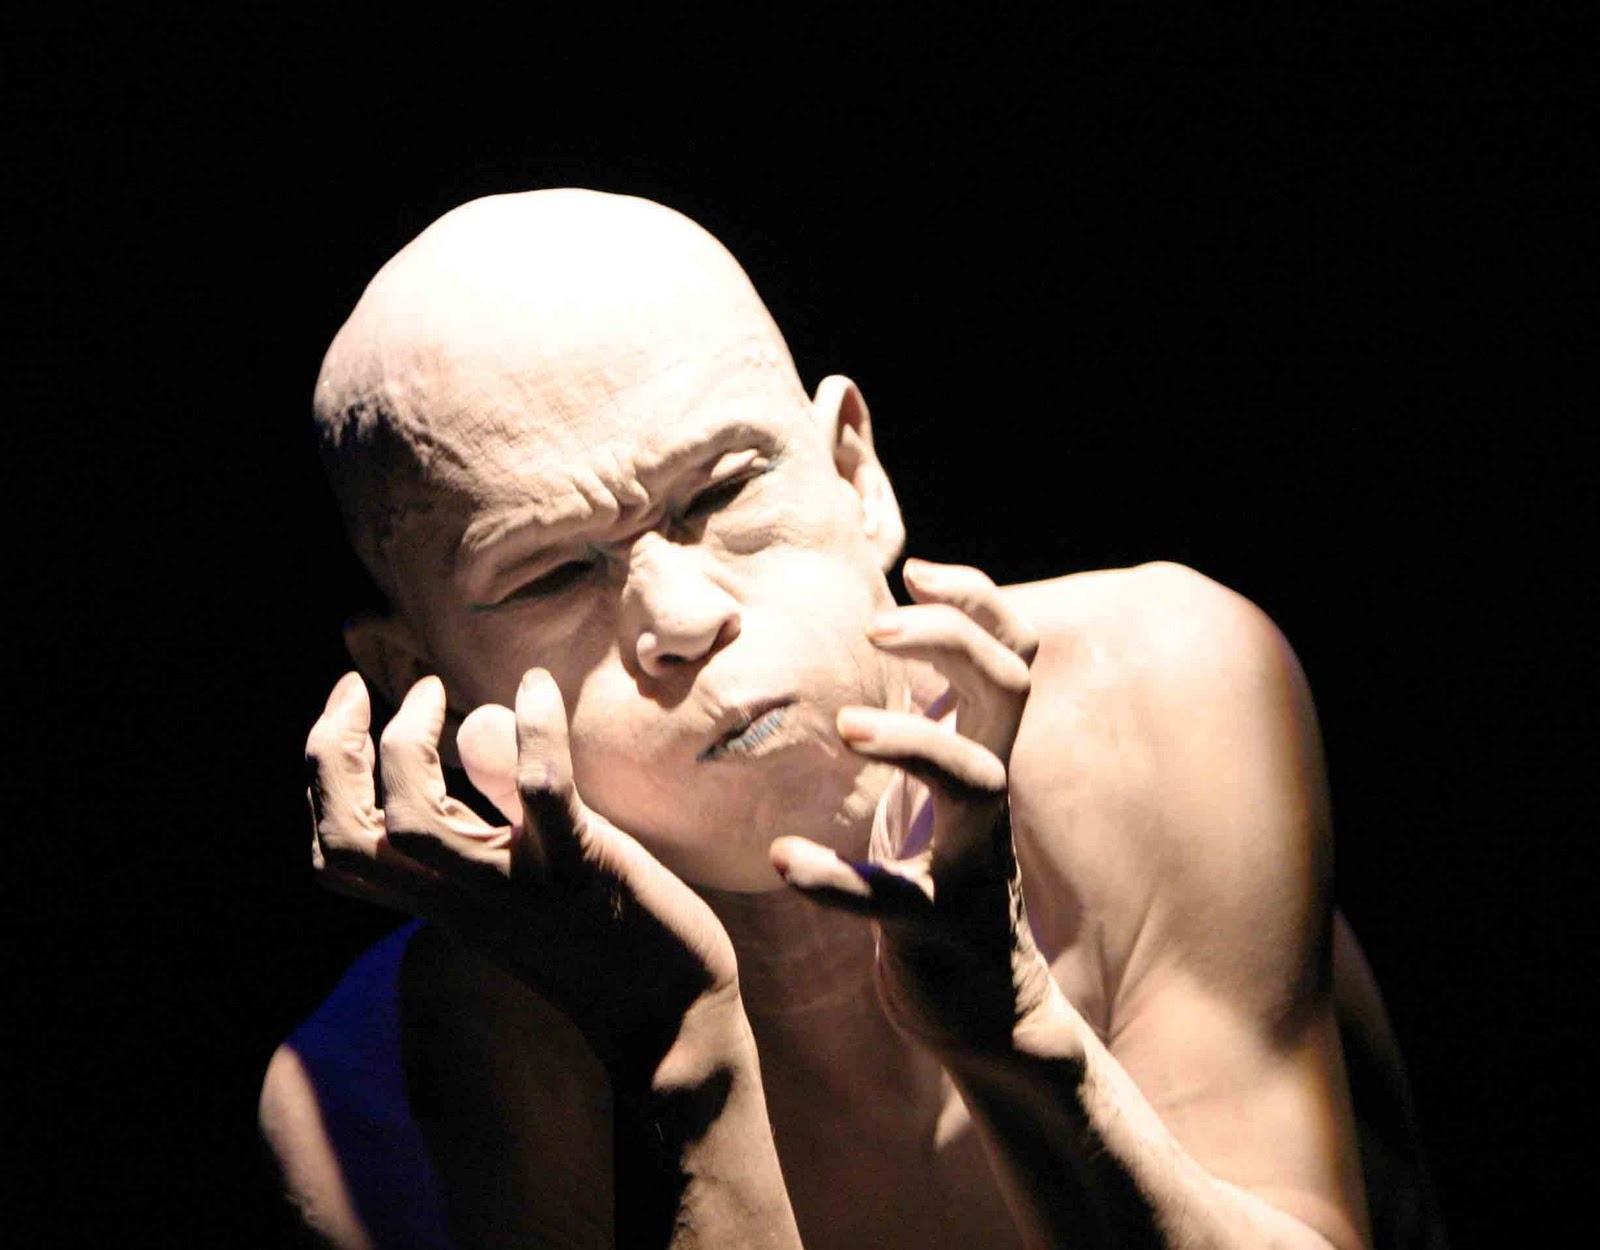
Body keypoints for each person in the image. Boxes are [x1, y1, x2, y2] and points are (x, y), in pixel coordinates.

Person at [261, 189, 1441, 1248]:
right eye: (550, 574)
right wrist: (680, 1051)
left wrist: (1012, 1021)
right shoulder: (379, 1092)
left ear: (855, 472)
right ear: (417, 669)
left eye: (723, 490)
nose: (683, 618)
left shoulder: (1151, 699)